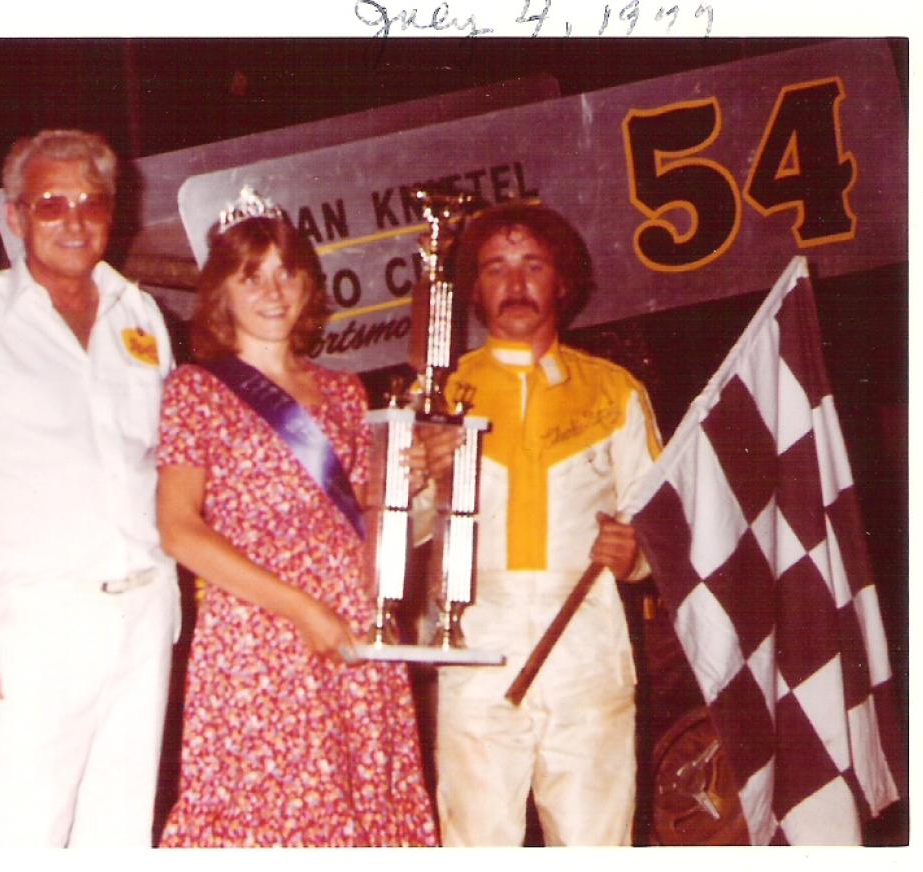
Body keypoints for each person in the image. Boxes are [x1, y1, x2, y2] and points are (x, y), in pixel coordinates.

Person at [0, 129, 179, 847]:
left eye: (92, 202)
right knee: (21, 839)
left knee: (120, 839)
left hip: (144, 615)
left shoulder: (140, 314)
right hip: (31, 625)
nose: (74, 221)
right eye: (52, 203)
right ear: (17, 215)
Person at [156, 188, 438, 847]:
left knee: (359, 803)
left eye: (286, 272)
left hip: (352, 620)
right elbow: (178, 529)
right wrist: (301, 609)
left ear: (309, 284)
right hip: (260, 632)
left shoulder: (345, 389)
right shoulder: (197, 389)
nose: (273, 291)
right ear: (221, 294)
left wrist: (412, 477)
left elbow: (365, 515)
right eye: (250, 276)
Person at [429, 200, 662, 846]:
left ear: (562, 282)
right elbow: (405, 533)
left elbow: (659, 529)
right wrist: (428, 476)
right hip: (476, 641)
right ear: (475, 289)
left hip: (586, 643)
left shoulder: (615, 392)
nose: (515, 282)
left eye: (533, 264)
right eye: (496, 268)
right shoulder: (440, 394)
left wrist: (634, 555)